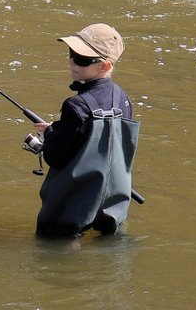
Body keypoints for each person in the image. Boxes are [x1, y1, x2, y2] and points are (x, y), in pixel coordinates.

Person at [32, 23, 139, 238]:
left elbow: (55, 156)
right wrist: (59, 129)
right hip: (112, 202)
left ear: (105, 66)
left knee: (56, 247)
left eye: (81, 58)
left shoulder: (76, 106)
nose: (72, 61)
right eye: (71, 53)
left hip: (74, 204)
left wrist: (50, 135)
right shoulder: (123, 99)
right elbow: (106, 140)